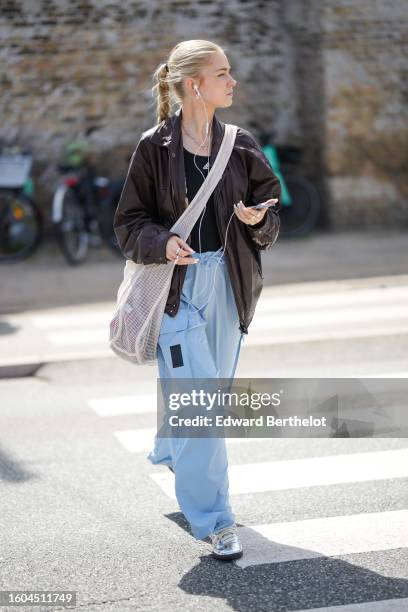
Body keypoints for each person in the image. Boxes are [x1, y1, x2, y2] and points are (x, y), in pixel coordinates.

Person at [113, 39, 281, 561]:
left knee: (205, 398)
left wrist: (259, 220)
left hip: (228, 288)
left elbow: (271, 213)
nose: (232, 82)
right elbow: (128, 224)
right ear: (195, 84)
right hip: (175, 293)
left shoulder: (242, 143)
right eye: (223, 73)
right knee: (202, 407)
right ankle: (214, 520)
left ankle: (172, 448)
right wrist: (161, 242)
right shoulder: (153, 148)